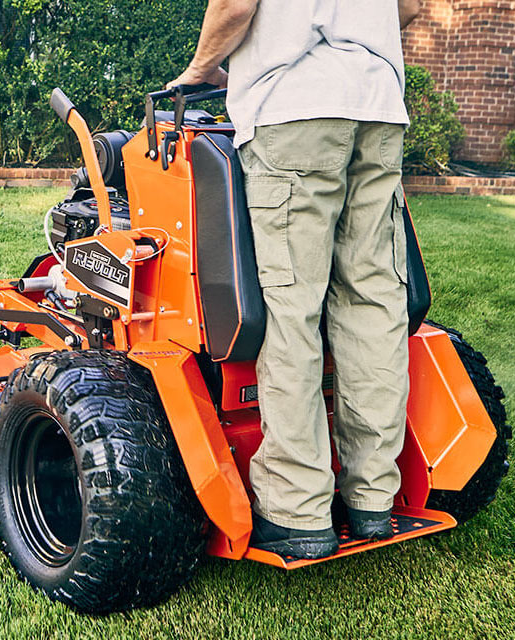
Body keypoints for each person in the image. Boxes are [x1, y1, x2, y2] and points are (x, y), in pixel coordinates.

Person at [169, 0, 421, 560]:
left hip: (295, 106)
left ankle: (299, 510)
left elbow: (235, 6)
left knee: (291, 305)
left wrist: (199, 70)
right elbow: (413, 7)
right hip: (379, 105)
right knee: (373, 301)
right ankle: (374, 498)